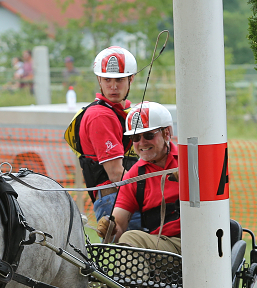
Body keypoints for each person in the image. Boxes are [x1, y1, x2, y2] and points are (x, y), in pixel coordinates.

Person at [96, 102, 181, 254]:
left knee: (131, 238)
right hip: (162, 247)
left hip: (197, 239)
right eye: (135, 137)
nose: (141, 143)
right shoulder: (134, 176)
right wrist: (109, 229)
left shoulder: (189, 159)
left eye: (149, 135)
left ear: (166, 133)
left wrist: (193, 177)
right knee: (128, 238)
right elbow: (119, 228)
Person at [76, 46, 141, 232]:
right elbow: (115, 174)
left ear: (131, 79)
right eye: (107, 80)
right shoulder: (101, 116)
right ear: (99, 80)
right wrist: (151, 187)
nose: (113, 86)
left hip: (121, 196)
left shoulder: (120, 112)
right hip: (115, 199)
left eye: (119, 79)